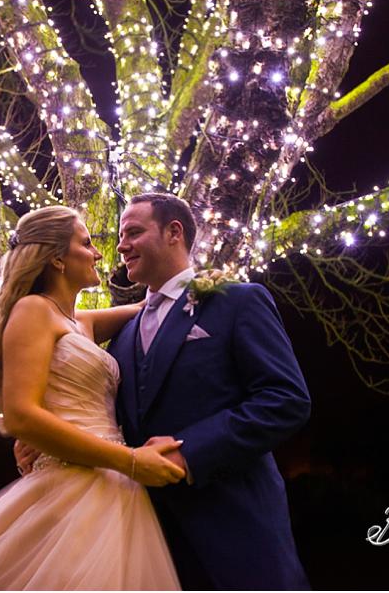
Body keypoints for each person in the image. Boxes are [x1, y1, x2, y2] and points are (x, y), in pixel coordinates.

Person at [19, 193, 312, 589]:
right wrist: (50, 435)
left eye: (133, 232)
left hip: (234, 527)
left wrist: (189, 452)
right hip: (140, 536)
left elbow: (285, 399)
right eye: (121, 236)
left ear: (174, 232)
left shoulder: (237, 301)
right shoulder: (121, 333)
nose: (120, 246)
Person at [0, 205, 185, 590]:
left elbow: (151, 306)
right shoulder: (32, 310)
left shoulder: (80, 321)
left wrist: (202, 279)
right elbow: (19, 416)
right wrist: (132, 460)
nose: (100, 253)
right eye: (87, 244)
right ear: (56, 258)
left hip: (115, 488)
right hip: (73, 486)